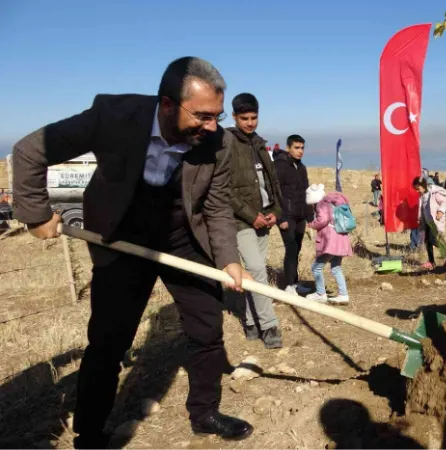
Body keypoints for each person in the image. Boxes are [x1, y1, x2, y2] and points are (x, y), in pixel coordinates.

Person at [12, 57, 255, 447]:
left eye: (218, 115)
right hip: (121, 239)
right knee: (108, 342)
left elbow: (216, 206)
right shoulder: (113, 116)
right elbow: (29, 151)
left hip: (182, 240)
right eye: (203, 116)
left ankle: (205, 412)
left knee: (207, 328)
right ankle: (90, 434)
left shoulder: (218, 143)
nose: (212, 127)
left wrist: (228, 259)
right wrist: (36, 214)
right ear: (167, 105)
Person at [226, 93, 283, 348]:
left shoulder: (260, 144)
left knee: (253, 274)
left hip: (265, 218)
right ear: (235, 116)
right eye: (244, 118)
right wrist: (251, 216)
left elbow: (271, 183)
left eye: (254, 118)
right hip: (240, 222)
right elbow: (223, 188)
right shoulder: (225, 143)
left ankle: (251, 322)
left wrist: (276, 211)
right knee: (259, 271)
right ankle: (269, 326)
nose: (250, 123)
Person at [275, 134, 314, 295]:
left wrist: (310, 216)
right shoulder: (279, 166)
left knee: (296, 249)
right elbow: (274, 193)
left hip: (300, 216)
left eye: (302, 148)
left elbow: (306, 192)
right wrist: (280, 218)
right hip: (286, 215)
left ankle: (295, 283)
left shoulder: (301, 167)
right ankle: (288, 286)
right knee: (290, 248)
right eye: (296, 148)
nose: (300, 151)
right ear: (288, 148)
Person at [305, 184, 353, 305]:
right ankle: (343, 295)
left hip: (330, 242)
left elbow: (323, 219)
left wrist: (312, 225)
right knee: (336, 267)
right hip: (341, 239)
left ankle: (320, 294)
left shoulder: (322, 204)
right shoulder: (334, 203)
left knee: (316, 267)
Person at [413, 176, 446, 270]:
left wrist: (441, 211)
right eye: (416, 189)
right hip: (427, 222)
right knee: (427, 241)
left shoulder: (434, 193)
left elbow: (445, 202)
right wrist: (420, 218)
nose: (417, 191)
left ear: (424, 186)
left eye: (418, 189)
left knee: (433, 240)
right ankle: (431, 262)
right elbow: (422, 208)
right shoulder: (422, 196)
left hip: (435, 222)